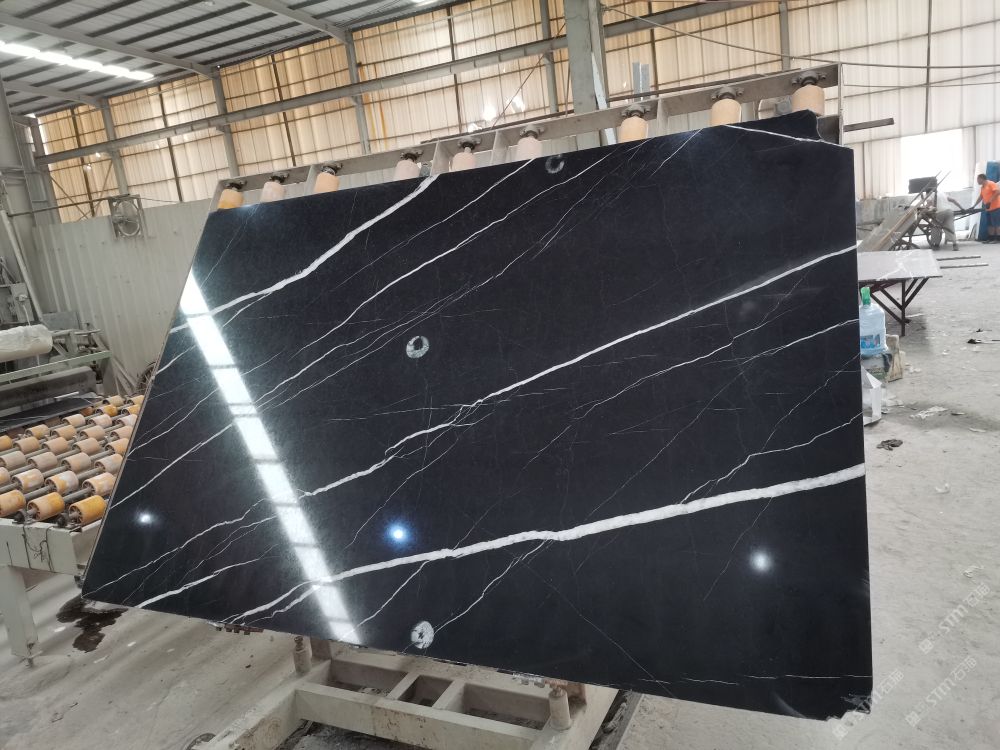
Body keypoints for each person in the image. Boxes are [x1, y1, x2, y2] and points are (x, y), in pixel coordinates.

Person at [972, 173, 1000, 242]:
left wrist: (990, 201)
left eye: (978, 179)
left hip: (996, 207)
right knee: (990, 224)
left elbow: (997, 192)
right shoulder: (982, 187)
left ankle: (997, 239)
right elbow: (981, 197)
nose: (977, 181)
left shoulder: (991, 184)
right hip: (988, 208)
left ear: (982, 179)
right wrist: (974, 206)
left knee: (996, 224)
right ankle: (991, 238)